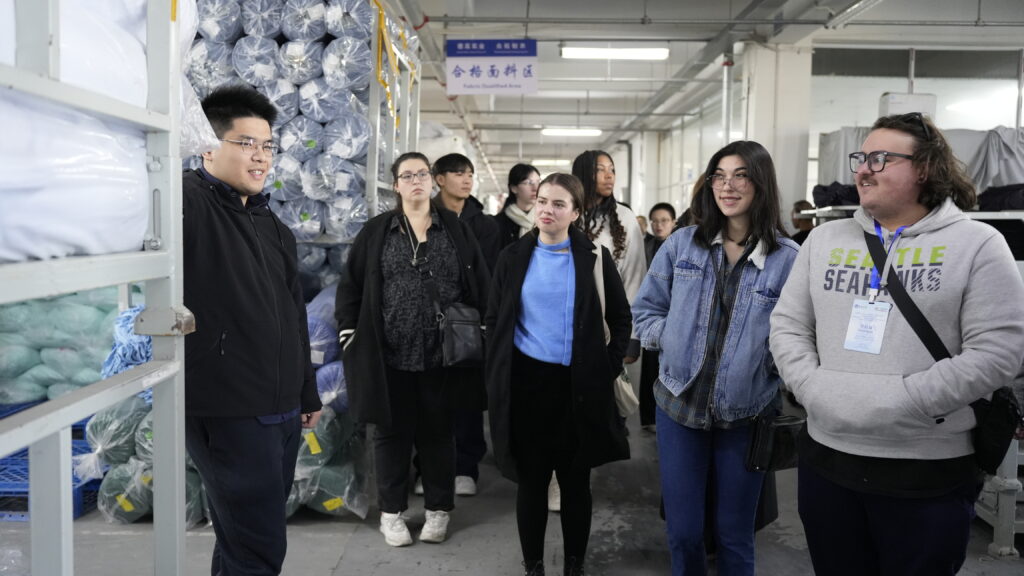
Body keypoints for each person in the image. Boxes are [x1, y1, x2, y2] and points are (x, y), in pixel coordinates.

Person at [769, 113, 1024, 576]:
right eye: (861, 158)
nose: (863, 169)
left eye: (880, 159)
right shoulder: (824, 239)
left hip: (927, 469)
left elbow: (998, 352)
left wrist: (906, 401)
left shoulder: (978, 245)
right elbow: (787, 326)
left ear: (925, 168)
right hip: (828, 460)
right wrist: (813, 388)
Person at [633, 140, 799, 576]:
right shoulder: (683, 245)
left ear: (760, 183)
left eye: (740, 175)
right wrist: (671, 338)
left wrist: (769, 366)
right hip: (678, 405)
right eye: (719, 176)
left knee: (734, 534)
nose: (728, 186)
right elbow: (646, 310)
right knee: (685, 533)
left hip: (746, 415)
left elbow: (799, 336)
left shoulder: (788, 260)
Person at [183, 85, 322, 576]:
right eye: (246, 144)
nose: (261, 157)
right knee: (257, 548)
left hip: (279, 408)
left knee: (244, 539)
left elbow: (293, 314)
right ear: (208, 145)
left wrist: (306, 392)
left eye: (267, 146)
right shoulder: (190, 204)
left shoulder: (272, 226)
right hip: (230, 408)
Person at [335, 152, 490, 547]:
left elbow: (480, 283)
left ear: (432, 182)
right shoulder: (377, 231)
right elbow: (350, 287)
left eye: (422, 173)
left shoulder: (454, 228)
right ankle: (391, 514)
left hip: (443, 355)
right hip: (388, 354)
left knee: (439, 433)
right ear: (397, 185)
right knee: (390, 434)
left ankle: (438, 511)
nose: (416, 180)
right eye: (408, 175)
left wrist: (484, 327)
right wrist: (349, 335)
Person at [485, 173, 631, 576]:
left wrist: (608, 366)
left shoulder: (595, 258)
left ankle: (574, 564)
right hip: (528, 385)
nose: (547, 210)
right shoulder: (512, 257)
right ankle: (532, 565)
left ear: (576, 213)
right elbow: (495, 319)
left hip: (578, 387)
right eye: (543, 200)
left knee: (575, 483)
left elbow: (620, 319)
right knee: (532, 483)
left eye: (559, 204)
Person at [424, 152, 498, 498]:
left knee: (467, 394)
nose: (467, 179)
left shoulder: (483, 225)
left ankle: (466, 466)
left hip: (467, 319)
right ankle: (428, 468)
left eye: (470, 173)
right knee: (429, 397)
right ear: (439, 178)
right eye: (458, 173)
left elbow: (489, 274)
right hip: (426, 318)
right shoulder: (423, 215)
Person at [640, 202, 677, 431]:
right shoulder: (647, 246)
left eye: (664, 220)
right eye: (654, 221)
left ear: (673, 222)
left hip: (674, 316)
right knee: (649, 367)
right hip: (651, 315)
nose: (658, 225)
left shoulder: (681, 247)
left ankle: (668, 414)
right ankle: (648, 417)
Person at [494, 163, 541, 251]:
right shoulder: (497, 224)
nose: (535, 188)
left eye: (538, 182)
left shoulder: (545, 220)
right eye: (528, 183)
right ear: (513, 188)